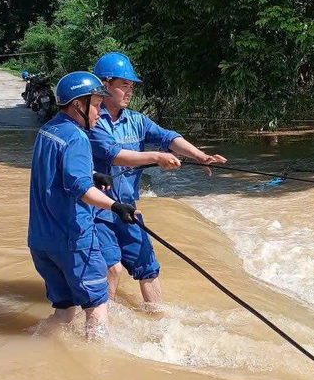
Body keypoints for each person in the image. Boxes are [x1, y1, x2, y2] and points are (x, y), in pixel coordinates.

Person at [89, 52, 226, 306]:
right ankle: (103, 330)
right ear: (105, 86)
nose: (129, 92)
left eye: (131, 86)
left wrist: (199, 155)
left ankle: (157, 320)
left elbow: (167, 137)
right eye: (123, 85)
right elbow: (113, 155)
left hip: (128, 209)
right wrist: (157, 157)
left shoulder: (137, 121)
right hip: (98, 210)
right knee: (112, 268)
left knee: (148, 265)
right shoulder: (93, 120)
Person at [27, 71, 138, 337]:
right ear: (79, 104)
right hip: (73, 241)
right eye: (97, 104)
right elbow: (81, 190)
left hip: (41, 242)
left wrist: (92, 174)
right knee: (96, 307)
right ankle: (99, 369)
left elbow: (57, 174)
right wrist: (115, 206)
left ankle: (35, 346)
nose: (99, 112)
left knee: (64, 312)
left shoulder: (48, 131)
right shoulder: (77, 137)